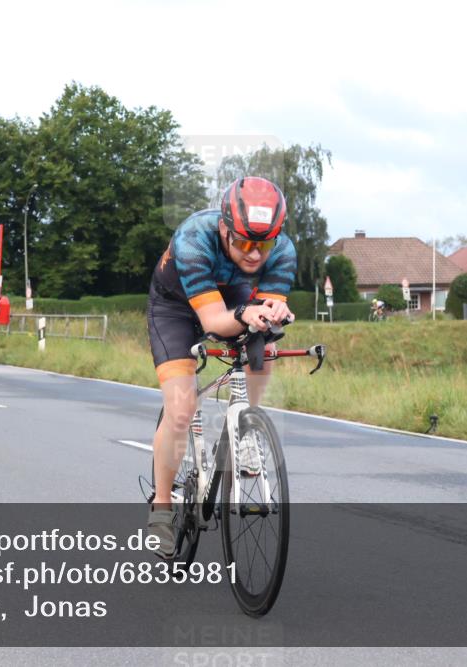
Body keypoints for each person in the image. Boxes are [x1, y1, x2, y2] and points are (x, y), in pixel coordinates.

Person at [146, 176, 297, 557]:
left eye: (263, 244)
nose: (253, 255)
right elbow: (214, 321)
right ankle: (162, 509)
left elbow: (261, 312)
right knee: (181, 409)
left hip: (231, 297)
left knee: (261, 338)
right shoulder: (194, 237)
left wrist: (273, 312)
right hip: (176, 306)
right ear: (224, 228)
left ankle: (246, 425)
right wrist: (248, 311)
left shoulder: (282, 249)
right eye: (244, 242)